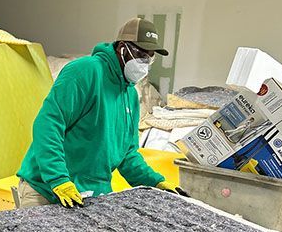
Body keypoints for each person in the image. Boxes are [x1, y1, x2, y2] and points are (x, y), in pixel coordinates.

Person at [16, 18, 178, 208]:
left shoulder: (130, 96)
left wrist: (156, 183)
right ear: (122, 48)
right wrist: (58, 179)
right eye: (140, 55)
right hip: (47, 189)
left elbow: (128, 155)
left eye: (149, 58)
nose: (144, 63)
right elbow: (48, 124)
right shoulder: (85, 72)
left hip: (90, 195)